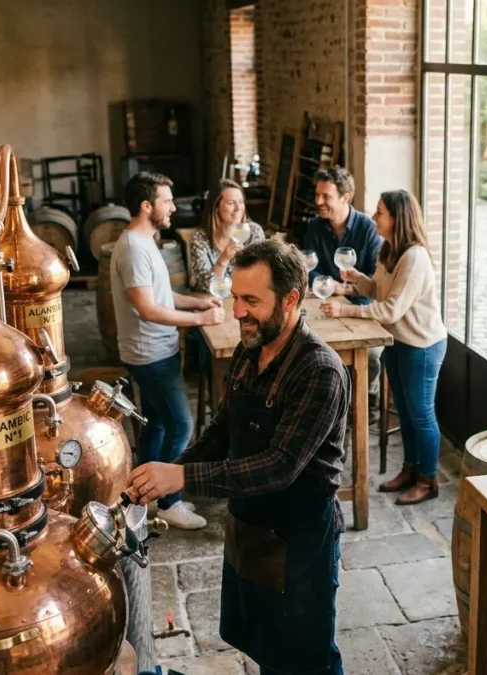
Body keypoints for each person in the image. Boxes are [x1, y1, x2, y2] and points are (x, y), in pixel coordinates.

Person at [126, 240, 349, 675]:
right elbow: (222, 430)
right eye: (234, 296)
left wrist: (183, 480)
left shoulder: (319, 371)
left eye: (251, 300)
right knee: (269, 646)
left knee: (307, 657)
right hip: (251, 529)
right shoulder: (252, 349)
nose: (237, 311)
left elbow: (279, 465)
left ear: (290, 300)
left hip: (298, 539)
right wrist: (173, 471)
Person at [111, 171, 224, 530]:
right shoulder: (132, 249)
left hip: (157, 350)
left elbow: (162, 297)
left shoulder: (146, 242)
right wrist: (201, 321)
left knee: (157, 424)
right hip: (150, 353)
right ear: (146, 206)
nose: (173, 206)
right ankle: (170, 502)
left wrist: (196, 303)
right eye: (166, 200)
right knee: (181, 424)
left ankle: (143, 495)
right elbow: (147, 309)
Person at [321, 190, 447, 505]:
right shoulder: (389, 249)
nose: (374, 217)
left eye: (380, 213)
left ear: (396, 218)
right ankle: (410, 469)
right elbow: (379, 290)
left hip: (422, 346)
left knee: (421, 414)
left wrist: (346, 309)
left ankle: (428, 479)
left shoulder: (414, 257)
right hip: (397, 342)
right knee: (403, 414)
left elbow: (391, 310)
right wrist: (357, 280)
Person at [301, 167, 384, 417]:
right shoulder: (315, 227)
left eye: (325, 196)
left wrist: (344, 288)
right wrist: (327, 286)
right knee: (309, 349)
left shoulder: (368, 228)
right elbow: (308, 268)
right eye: (317, 195)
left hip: (361, 306)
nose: (318, 201)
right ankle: (333, 406)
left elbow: (374, 279)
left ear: (345, 198)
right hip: (324, 303)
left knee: (369, 354)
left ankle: (367, 400)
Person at [188, 179, 266, 294]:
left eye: (240, 202)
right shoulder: (200, 239)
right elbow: (202, 286)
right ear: (216, 207)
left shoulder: (254, 232)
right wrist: (223, 260)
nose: (238, 208)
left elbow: (261, 277)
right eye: (230, 203)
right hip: (213, 303)